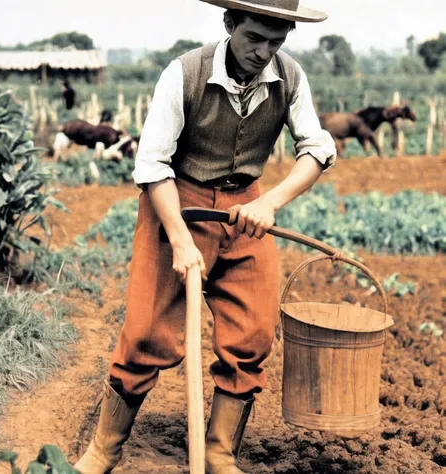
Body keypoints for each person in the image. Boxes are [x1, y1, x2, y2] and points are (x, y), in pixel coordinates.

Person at [75, 0, 336, 473]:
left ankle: (218, 454)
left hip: (247, 212)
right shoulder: (184, 73)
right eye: (254, 37)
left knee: (252, 333)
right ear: (230, 24)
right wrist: (178, 239)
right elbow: (152, 165)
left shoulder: (290, 77)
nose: (263, 52)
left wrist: (268, 203)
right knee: (146, 334)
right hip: (176, 202)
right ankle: (103, 451)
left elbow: (317, 147)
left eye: (276, 42)